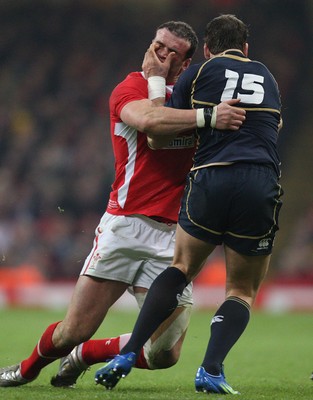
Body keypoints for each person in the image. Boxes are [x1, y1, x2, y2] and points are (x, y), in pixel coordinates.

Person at [0, 21, 245, 388]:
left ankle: (86, 356)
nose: (160, 54)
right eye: (157, 44)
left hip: (175, 236)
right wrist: (208, 117)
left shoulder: (194, 94)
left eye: (171, 51)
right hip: (126, 225)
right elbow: (151, 124)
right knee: (73, 329)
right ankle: (27, 368)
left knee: (164, 354)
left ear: (187, 61)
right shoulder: (130, 87)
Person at [94, 14, 283, 395]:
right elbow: (274, 127)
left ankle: (129, 352)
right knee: (241, 290)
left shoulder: (198, 73)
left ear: (208, 49)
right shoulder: (268, 76)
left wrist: (160, 82)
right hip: (259, 181)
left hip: (210, 178)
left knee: (180, 268)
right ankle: (211, 369)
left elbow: (158, 136)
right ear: (246, 49)